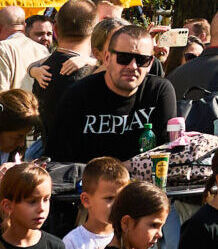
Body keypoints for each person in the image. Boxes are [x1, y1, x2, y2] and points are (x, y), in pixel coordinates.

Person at [42, 21, 177, 164]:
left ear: (150, 63)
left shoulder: (159, 91)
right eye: (123, 58)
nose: (132, 66)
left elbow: (166, 152)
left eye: (141, 60)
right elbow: (58, 156)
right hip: (89, 182)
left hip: (142, 182)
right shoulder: (78, 95)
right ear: (106, 58)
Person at [30, 0, 97, 139]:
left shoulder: (43, 70)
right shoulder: (99, 73)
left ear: (55, 29)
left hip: (49, 154)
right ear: (95, 30)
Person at [0, 6, 50, 94]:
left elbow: (1, 91)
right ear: (24, 26)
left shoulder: (2, 48)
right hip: (36, 106)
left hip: (12, 106)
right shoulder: (43, 50)